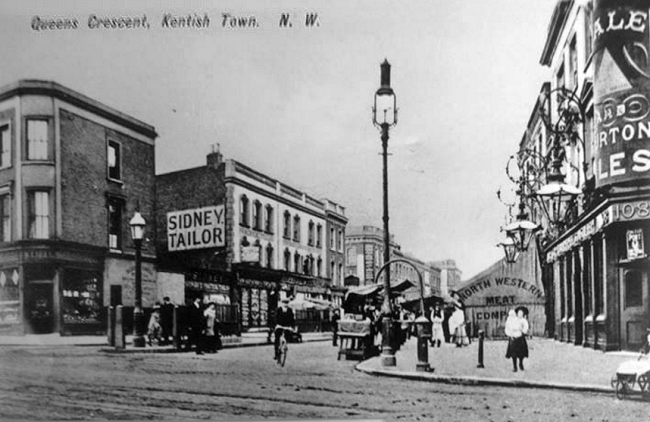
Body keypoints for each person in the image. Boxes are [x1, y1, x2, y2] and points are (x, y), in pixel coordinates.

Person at [505, 307, 529, 372]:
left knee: (521, 353)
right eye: (518, 313)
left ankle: (521, 363)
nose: (519, 314)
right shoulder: (512, 320)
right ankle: (514, 366)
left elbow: (525, 330)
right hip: (513, 338)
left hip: (520, 338)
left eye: (521, 313)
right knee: (513, 353)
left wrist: (522, 330)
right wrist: (510, 335)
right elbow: (508, 328)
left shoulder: (523, 321)